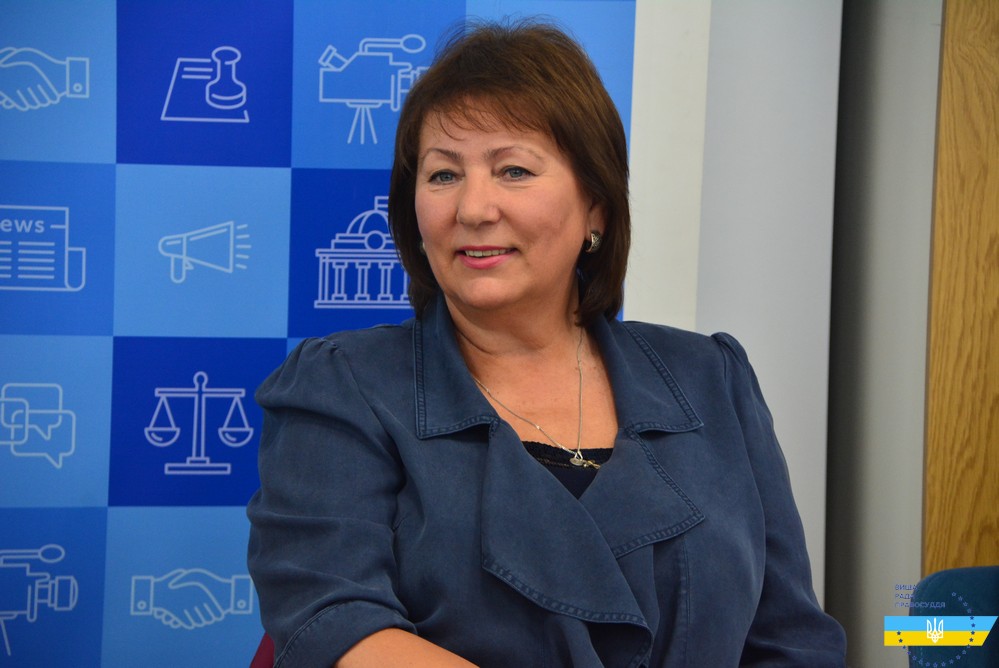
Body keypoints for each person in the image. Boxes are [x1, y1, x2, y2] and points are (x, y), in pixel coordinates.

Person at [247, 20, 847, 667]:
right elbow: (332, 621)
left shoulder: (710, 378)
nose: (473, 208)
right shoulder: (342, 383)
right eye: (443, 175)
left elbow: (790, 640)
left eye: (512, 170)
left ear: (595, 208)